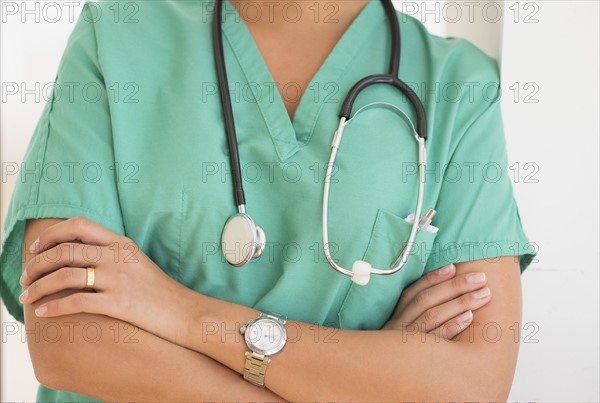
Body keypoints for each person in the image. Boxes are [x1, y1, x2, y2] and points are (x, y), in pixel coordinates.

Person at [1, 0, 536, 401]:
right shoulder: (118, 33)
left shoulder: (458, 87)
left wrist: (185, 314)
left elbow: (472, 381)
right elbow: (67, 333)